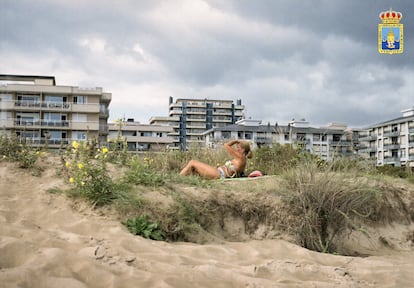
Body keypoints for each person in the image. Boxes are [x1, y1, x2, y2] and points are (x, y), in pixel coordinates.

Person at [180, 140, 253, 180]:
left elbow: (226, 145)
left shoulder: (240, 157)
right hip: (218, 172)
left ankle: (178, 179)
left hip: (219, 174)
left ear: (243, 149)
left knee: (192, 162)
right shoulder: (242, 159)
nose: (237, 149)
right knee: (194, 169)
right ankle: (180, 181)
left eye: (238, 147)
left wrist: (235, 141)